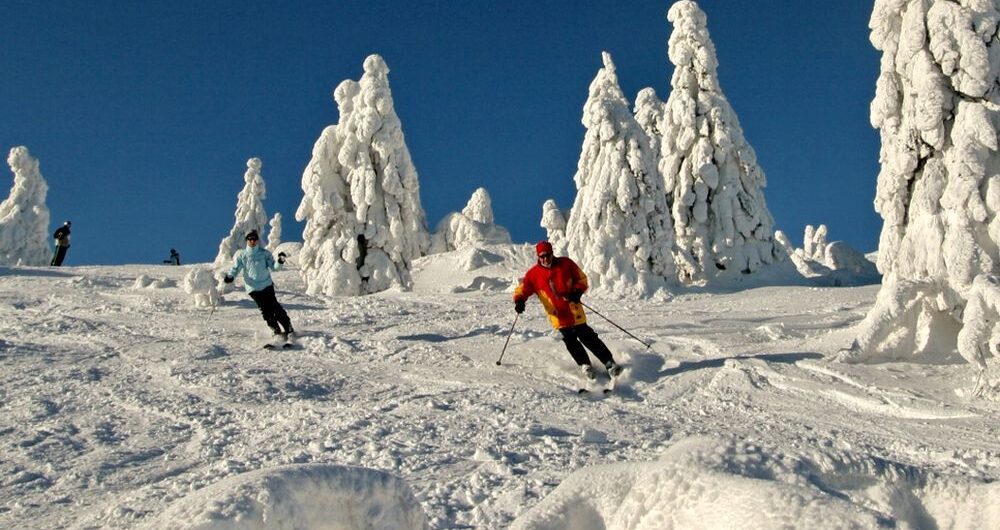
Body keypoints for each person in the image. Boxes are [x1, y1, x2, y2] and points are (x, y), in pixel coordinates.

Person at [513, 240, 623, 381]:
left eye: (547, 255)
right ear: (538, 257)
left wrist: (577, 292)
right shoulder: (533, 274)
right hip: (558, 314)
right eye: (542, 256)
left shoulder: (565, 264)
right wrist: (519, 301)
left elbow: (581, 279)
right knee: (570, 339)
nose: (545, 259)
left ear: (552, 253)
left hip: (573, 309)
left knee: (587, 336)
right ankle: (585, 365)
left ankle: (609, 363)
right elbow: (523, 289)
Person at [223, 230, 294, 343]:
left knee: (274, 307)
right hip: (253, 289)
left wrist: (280, 261)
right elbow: (236, 268)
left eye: (254, 239)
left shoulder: (264, 253)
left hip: (266, 285)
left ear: (257, 240)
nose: (252, 241)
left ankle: (288, 328)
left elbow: (274, 267)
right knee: (265, 310)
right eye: (250, 239)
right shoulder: (242, 255)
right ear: (247, 241)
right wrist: (230, 276)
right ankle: (276, 330)